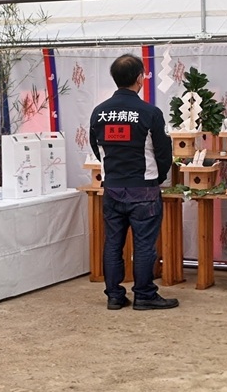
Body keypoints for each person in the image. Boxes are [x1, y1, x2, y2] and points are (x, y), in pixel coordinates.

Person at [89, 54, 178, 311]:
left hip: (112, 187)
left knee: (113, 242)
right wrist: (157, 178)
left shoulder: (99, 113)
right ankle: (144, 295)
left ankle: (114, 296)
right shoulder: (150, 112)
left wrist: (113, 172)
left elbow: (97, 148)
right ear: (140, 78)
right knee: (144, 244)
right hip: (144, 189)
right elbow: (164, 153)